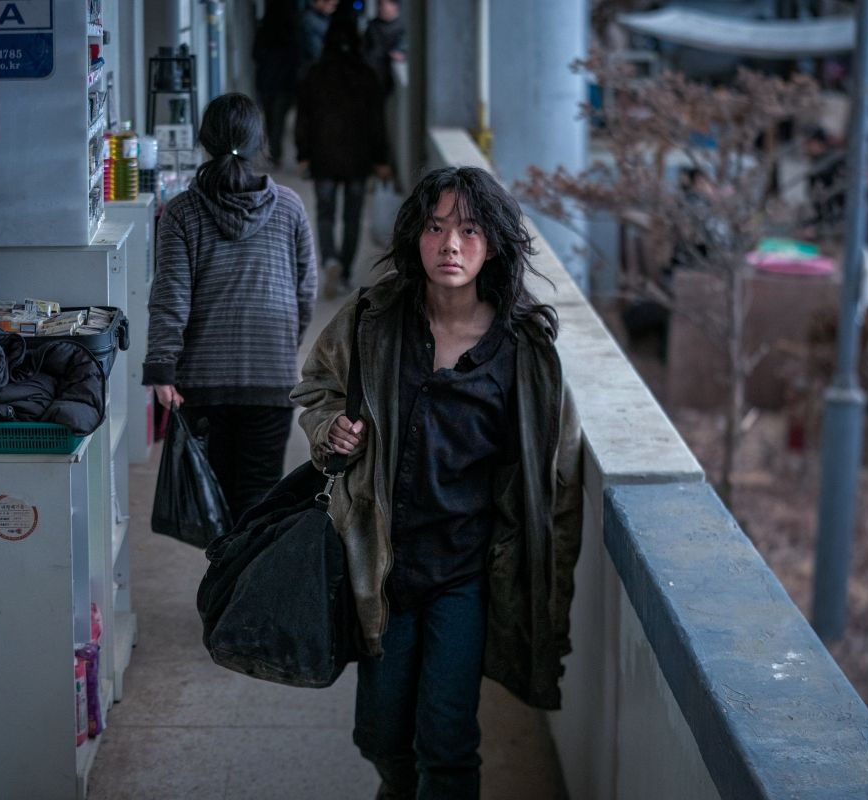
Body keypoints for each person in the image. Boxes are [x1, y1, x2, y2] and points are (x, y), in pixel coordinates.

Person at [290, 166, 583, 799]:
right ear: (414, 237)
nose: (451, 244)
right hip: (383, 563)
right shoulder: (373, 320)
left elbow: (557, 479)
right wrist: (330, 429)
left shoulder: (524, 352)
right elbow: (316, 388)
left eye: (470, 230)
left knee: (447, 741)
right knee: (381, 734)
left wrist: (548, 595)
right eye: (435, 227)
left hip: (466, 573)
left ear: (494, 245)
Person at [143, 93, 317, 522]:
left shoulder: (182, 212)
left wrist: (163, 369)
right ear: (260, 142)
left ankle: (224, 568)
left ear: (205, 142)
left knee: (213, 504)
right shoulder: (290, 208)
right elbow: (305, 291)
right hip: (271, 379)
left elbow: (171, 294)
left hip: (203, 383)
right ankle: (251, 568)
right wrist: (284, 345)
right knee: (260, 500)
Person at [296, 10, 391, 298]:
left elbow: (304, 118)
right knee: (352, 217)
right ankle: (346, 272)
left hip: (323, 156)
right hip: (358, 159)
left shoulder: (314, 73)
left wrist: (303, 154)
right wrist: (381, 159)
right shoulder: (367, 75)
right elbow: (377, 123)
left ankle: (330, 261)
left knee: (325, 214)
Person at [252, 0, 300, 167]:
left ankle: (272, 151)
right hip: (285, 83)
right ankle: (275, 153)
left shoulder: (264, 31)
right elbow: (297, 57)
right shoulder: (292, 31)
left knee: (270, 118)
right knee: (279, 119)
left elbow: (255, 55)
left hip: (267, 81)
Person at [362, 0, 406, 96]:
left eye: (383, 5)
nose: (380, 8)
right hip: (371, 74)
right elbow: (364, 49)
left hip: (390, 76)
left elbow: (403, 48)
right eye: (379, 5)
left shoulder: (402, 27)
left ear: (394, 6)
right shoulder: (372, 26)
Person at [297, 0, 338, 82]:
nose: (334, 3)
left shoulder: (325, 18)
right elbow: (316, 52)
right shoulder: (310, 20)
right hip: (312, 71)